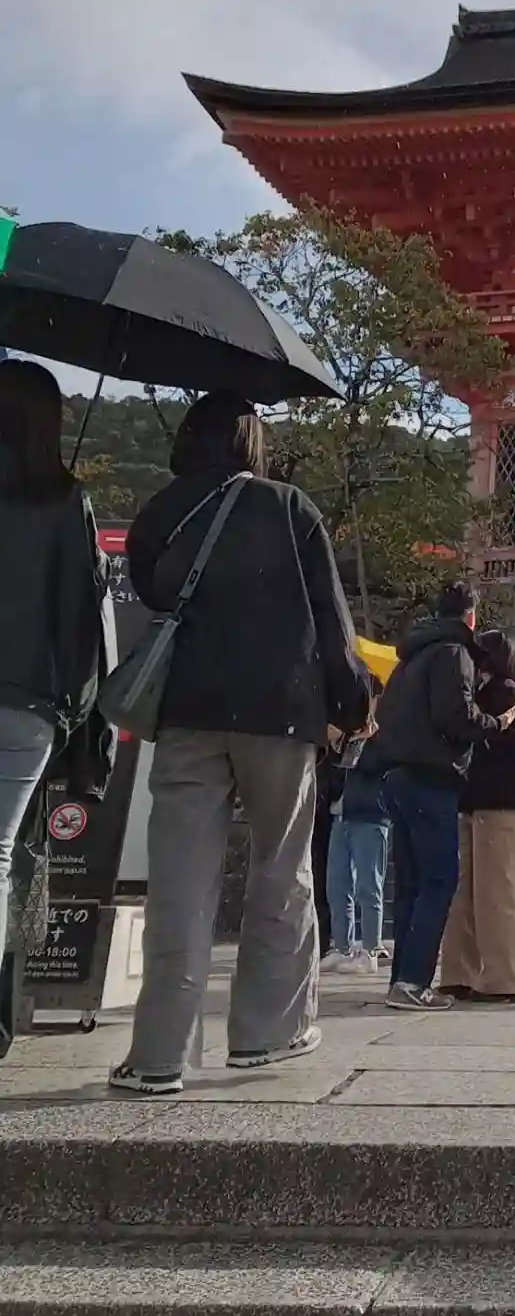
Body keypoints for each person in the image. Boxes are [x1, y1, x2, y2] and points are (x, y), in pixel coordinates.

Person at [111, 393, 370, 1094]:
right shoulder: (290, 508)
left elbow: (152, 589)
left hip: (189, 711)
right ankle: (268, 1034)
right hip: (281, 714)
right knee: (281, 868)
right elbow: (331, 616)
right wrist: (352, 702)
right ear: (252, 440)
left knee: (179, 883)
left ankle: (159, 1054)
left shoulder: (165, 510)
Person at [0, 362, 106, 970]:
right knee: (0, 853)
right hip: (29, 703)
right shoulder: (65, 500)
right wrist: (71, 709)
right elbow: (78, 617)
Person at [377, 584, 515, 1012]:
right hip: (431, 776)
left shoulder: (410, 658)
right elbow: (455, 716)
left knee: (410, 884)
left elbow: (384, 713)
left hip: (396, 774)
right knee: (439, 879)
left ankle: (401, 979)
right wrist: (495, 723)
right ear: (471, 616)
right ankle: (414, 981)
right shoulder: (453, 653)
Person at [440, 629, 515, 1004]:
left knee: (496, 895)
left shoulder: (507, 694)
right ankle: (460, 973)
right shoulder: (482, 694)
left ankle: (505, 978)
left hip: (498, 805)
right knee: (465, 895)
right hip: (476, 803)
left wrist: (484, 731)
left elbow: (514, 747)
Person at [323, 687, 389, 976]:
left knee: (368, 885)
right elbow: (336, 770)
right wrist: (341, 741)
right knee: (337, 885)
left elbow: (375, 767)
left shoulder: (385, 737)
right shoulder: (352, 736)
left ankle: (371, 949)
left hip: (371, 815)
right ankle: (342, 946)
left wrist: (363, 739)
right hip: (342, 813)